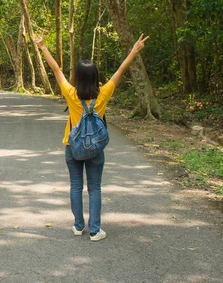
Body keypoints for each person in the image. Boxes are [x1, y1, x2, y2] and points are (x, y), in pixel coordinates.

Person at [35, 34, 149, 241]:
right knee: (95, 187)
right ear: (96, 77)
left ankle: (78, 226)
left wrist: (43, 47)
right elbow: (120, 70)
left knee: (76, 186)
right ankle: (95, 230)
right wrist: (133, 51)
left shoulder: (70, 94)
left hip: (73, 147)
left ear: (77, 78)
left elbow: (56, 70)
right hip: (95, 149)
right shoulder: (103, 93)